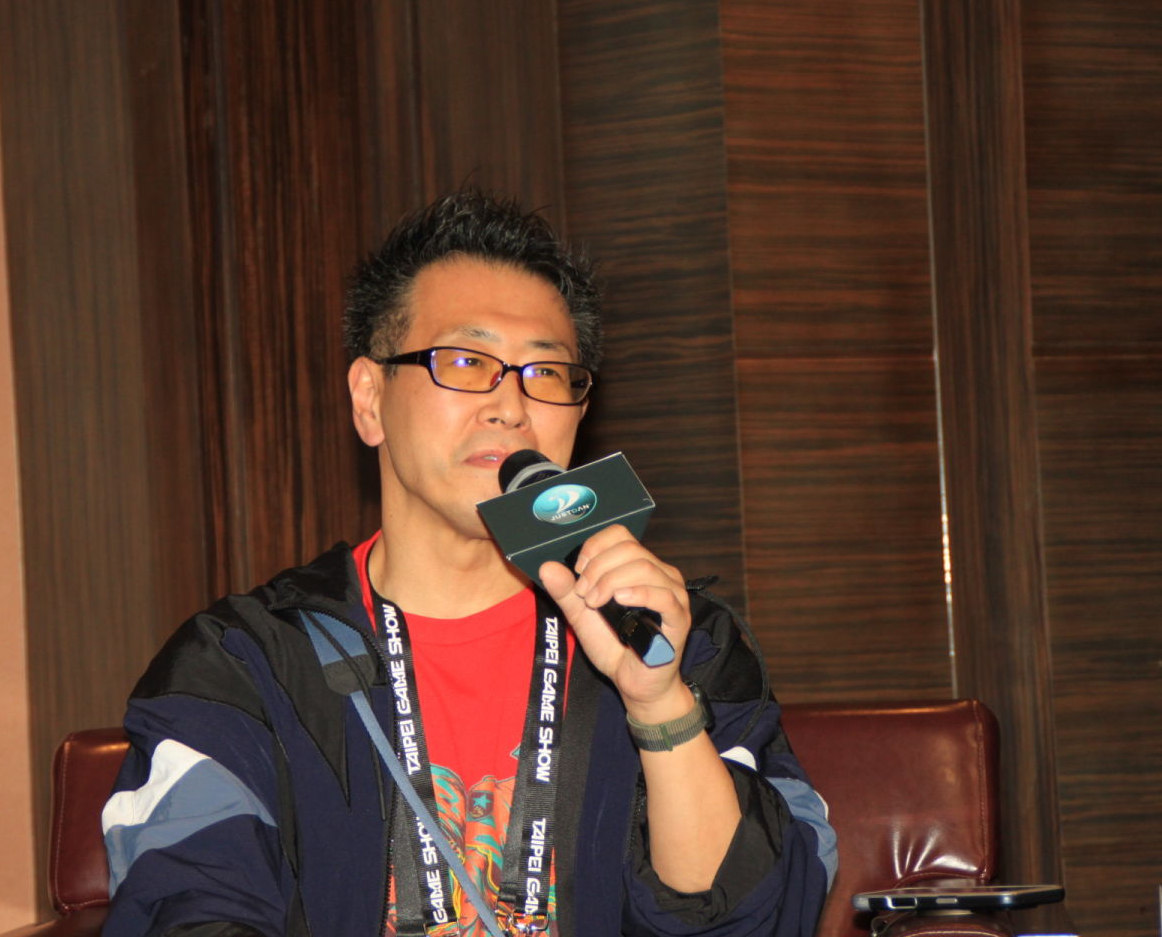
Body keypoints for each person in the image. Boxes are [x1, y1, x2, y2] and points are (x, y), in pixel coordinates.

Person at [100, 190, 836, 937]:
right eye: (464, 361)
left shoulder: (678, 641)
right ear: (369, 398)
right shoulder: (243, 666)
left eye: (545, 374)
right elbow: (188, 909)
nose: (510, 406)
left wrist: (659, 708)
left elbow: (765, 915)